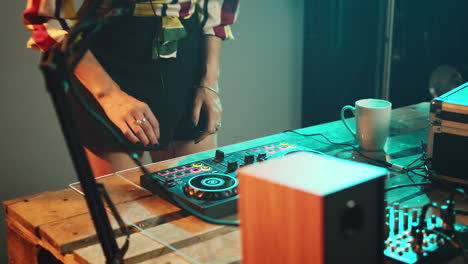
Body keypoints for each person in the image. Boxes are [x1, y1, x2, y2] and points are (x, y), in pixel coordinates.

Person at [23, 0, 240, 177]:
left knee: (197, 198)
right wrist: (109, 95)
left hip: (188, 56)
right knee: (122, 216)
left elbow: (219, 6)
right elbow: (46, 19)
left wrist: (209, 81)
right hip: (108, 60)